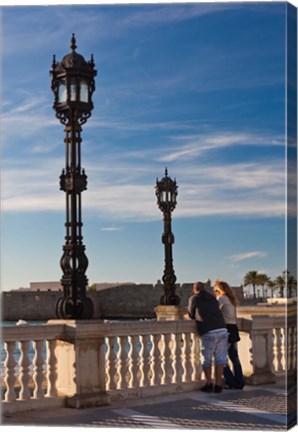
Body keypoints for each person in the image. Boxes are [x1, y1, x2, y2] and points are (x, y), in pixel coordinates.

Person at [188, 281, 228, 393]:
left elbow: (191, 315)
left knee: (206, 360)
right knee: (220, 359)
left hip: (208, 331)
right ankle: (219, 385)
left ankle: (209, 383)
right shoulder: (213, 297)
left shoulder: (194, 298)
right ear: (205, 289)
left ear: (194, 290)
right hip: (222, 329)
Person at [213, 280, 245, 389]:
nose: (214, 292)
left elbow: (214, 313)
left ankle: (231, 381)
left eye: (215, 290)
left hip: (225, 329)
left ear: (219, 290)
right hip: (233, 328)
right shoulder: (231, 300)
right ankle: (240, 382)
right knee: (234, 357)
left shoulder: (221, 299)